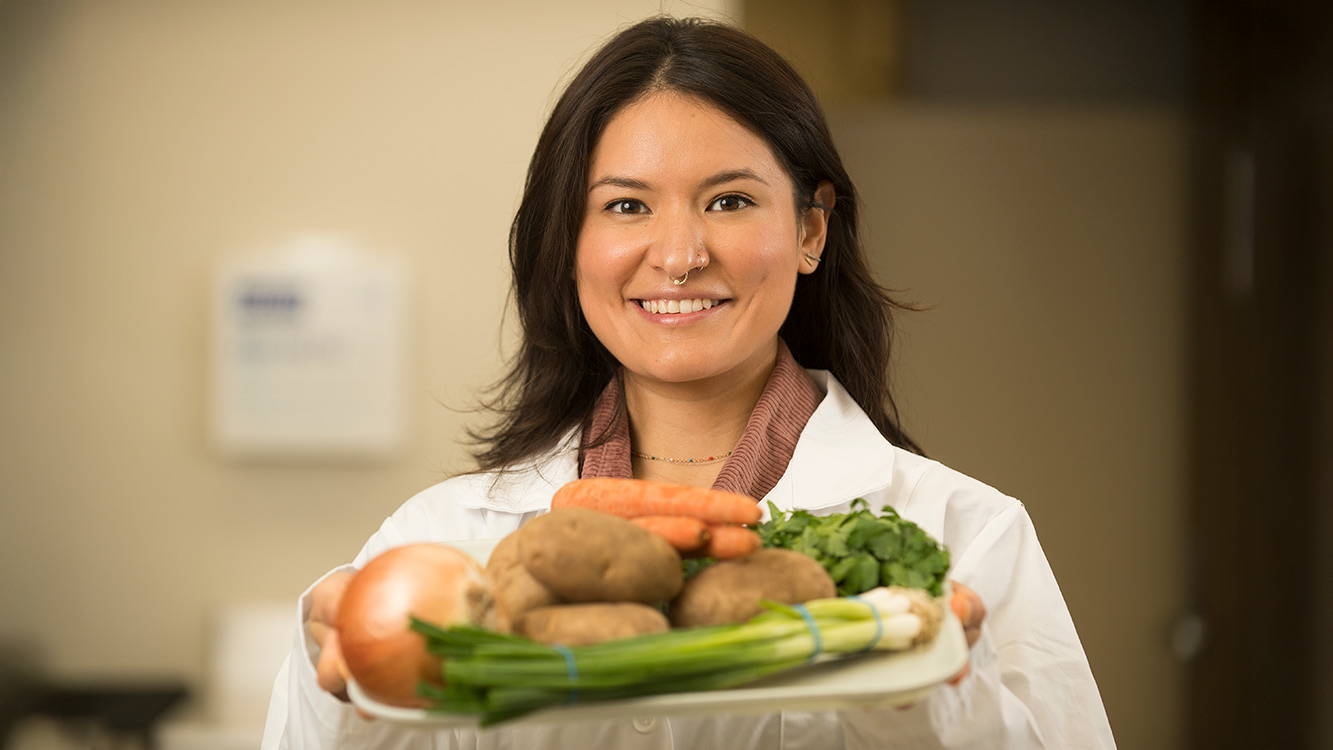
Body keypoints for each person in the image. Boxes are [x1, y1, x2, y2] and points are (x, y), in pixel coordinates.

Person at [262, 15, 1116, 749]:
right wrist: (336, 681)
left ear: (810, 231)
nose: (677, 256)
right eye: (626, 206)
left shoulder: (965, 539)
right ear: (569, 243)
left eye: (729, 201)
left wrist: (930, 691)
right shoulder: (438, 542)